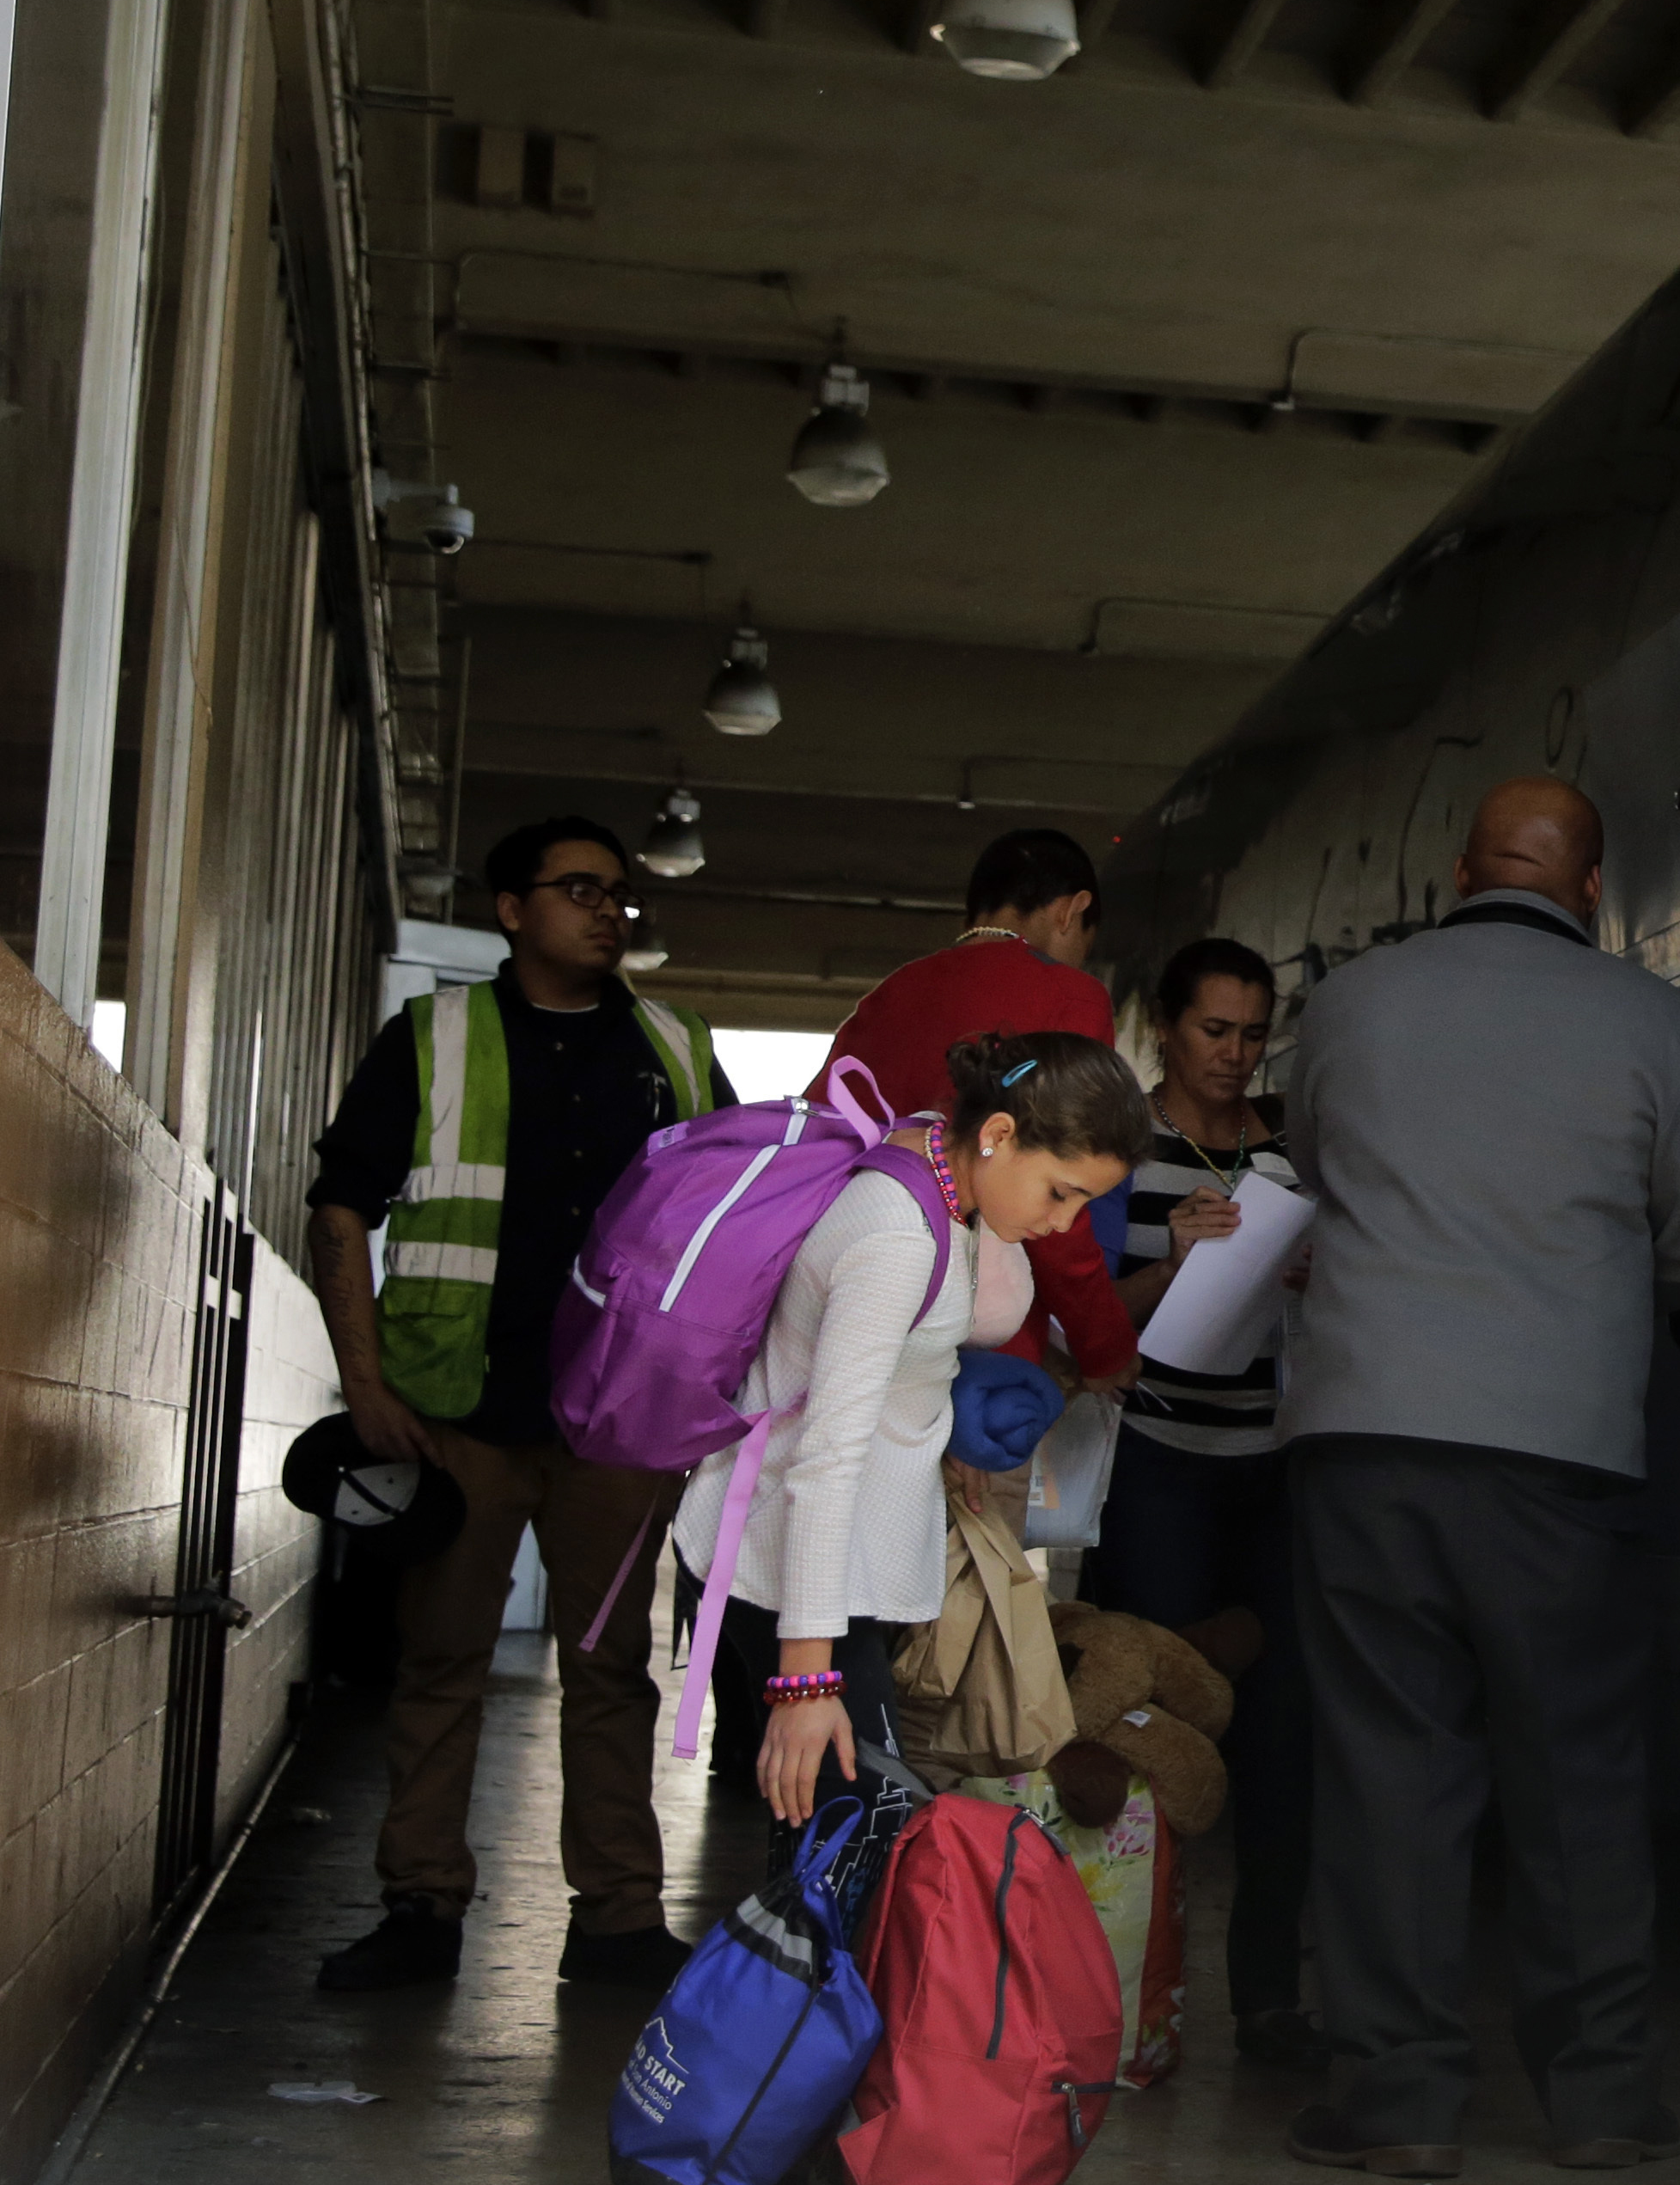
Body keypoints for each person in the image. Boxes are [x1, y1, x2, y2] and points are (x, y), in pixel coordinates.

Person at [1280, 776, 1680, 2179]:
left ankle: (1398, 2097)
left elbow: (1314, 1168)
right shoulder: (1653, 1020)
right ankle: (1598, 2094)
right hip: (1559, 1449)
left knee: (1386, 1770)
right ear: (1590, 885)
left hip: (1362, 1441)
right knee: (1577, 1772)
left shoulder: (1350, 1004)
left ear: (1459, 865)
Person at [304, 815, 730, 1993]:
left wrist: (701, 1395)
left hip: (617, 1424)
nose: (607, 912)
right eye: (579, 890)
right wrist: (367, 1387)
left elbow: (724, 1230)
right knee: (440, 1665)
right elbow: (342, 1207)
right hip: (460, 1417)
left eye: (618, 895)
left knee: (610, 1674)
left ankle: (619, 1924)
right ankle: (421, 1910)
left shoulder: (677, 1049)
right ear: (510, 909)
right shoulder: (431, 1039)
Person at [678, 1031, 1149, 1824]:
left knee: (831, 1852)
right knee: (854, 1841)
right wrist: (806, 1681)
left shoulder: (932, 1159)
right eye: (1060, 1192)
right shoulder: (898, 1233)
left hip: (819, 1576)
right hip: (785, 1577)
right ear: (997, 1135)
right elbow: (825, 1460)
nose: (1065, 1222)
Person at [1097, 937, 1323, 2064]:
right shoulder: (1116, 1152)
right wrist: (1171, 1265)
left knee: (1287, 1729)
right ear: (1165, 1030)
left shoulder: (1290, 1160)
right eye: (1212, 1032)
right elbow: (1074, 1330)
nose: (1233, 1056)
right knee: (1151, 1724)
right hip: (1155, 1467)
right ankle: (1132, 1985)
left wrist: (1309, 1278)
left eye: (1250, 1033)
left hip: (1274, 1465)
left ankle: (1270, 1997)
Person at [810, 828, 1141, 1388]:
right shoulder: (1072, 996)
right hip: (988, 1334)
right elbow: (1056, 1196)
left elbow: (820, 1141)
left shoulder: (890, 993)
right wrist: (1104, 1346)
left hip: (858, 1304)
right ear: (1071, 911)